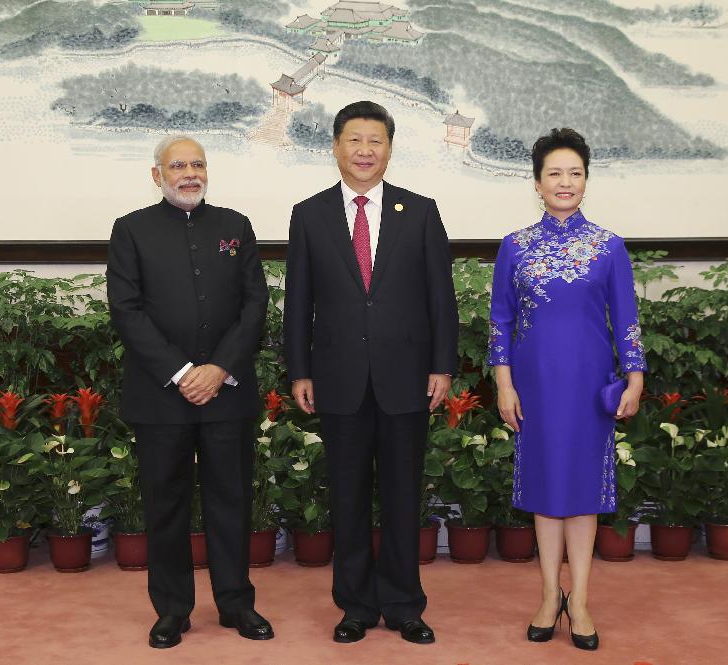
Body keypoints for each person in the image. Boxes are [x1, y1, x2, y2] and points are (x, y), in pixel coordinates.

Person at [283, 101, 459, 645]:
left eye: (375, 141)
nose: (365, 150)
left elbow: (441, 300)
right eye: (354, 140)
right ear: (335, 147)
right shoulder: (308, 214)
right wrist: (300, 370)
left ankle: (405, 604)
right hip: (337, 378)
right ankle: (355, 605)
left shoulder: (421, 211)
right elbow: (299, 302)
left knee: (405, 496)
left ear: (389, 148)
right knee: (349, 496)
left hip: (407, 377)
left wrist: (443, 367)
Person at [106, 135, 273, 648]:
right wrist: (182, 372)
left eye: (198, 164)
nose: (189, 173)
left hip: (227, 392)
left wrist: (219, 368)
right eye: (177, 165)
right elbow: (126, 310)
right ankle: (172, 610)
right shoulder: (131, 229)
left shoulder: (234, 226)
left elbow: (254, 306)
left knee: (231, 502)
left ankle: (236, 604)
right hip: (161, 396)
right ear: (156, 175)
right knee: (166, 505)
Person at [487, 128, 647, 651]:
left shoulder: (609, 246)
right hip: (533, 387)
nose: (565, 182)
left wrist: (636, 376)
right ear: (537, 182)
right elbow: (500, 323)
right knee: (543, 492)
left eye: (574, 173)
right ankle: (546, 596)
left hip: (588, 386)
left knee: (582, 495)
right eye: (554, 173)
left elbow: (627, 319)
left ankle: (578, 600)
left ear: (586, 181)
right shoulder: (515, 246)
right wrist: (503, 385)